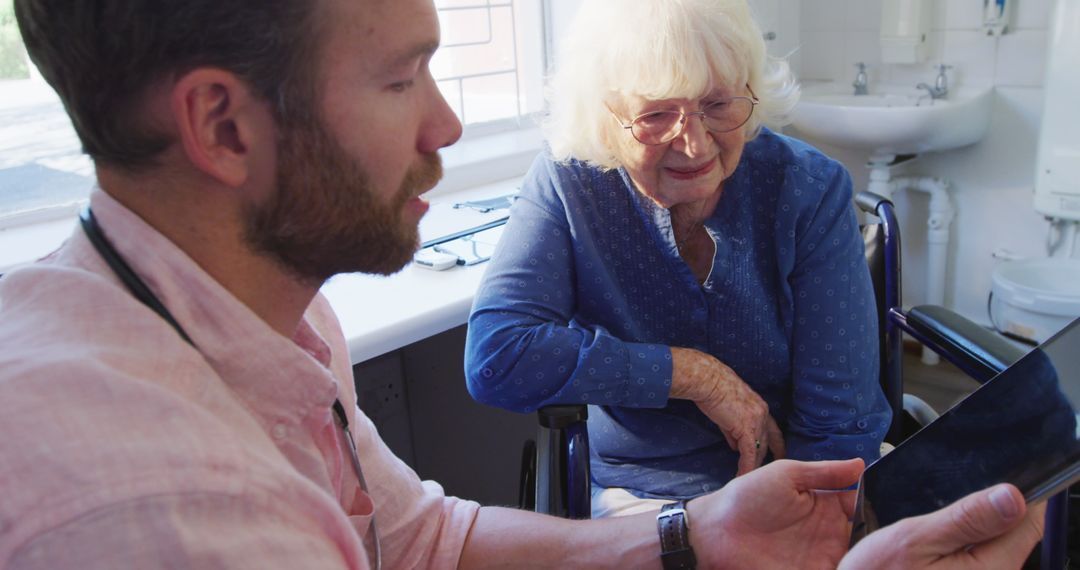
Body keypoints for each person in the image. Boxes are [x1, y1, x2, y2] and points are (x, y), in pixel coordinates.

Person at [0, 0, 1043, 568]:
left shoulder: (281, 326)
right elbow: (496, 354)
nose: (449, 127)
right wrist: (685, 383)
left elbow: (425, 540)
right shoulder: (155, 510)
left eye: (721, 103)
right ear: (224, 127)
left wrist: (692, 543)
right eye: (402, 78)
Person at [464, 0, 891, 517]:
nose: (693, 144)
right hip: (646, 495)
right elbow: (496, 357)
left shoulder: (806, 188)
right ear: (604, 118)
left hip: (793, 478)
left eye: (717, 104)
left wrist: (800, 522)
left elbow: (837, 423)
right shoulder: (570, 182)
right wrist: (692, 375)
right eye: (656, 114)